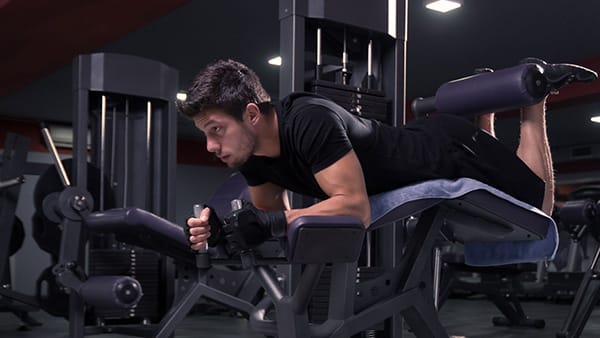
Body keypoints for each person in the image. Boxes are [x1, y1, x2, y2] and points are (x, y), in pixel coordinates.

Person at [177, 59, 587, 252]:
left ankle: (535, 94)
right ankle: (485, 107)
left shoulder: (308, 121)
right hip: (421, 140)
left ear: (251, 114)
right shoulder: (252, 156)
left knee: (540, 207)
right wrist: (224, 233)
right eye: (206, 135)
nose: (212, 147)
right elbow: (271, 220)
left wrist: (269, 222)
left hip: (447, 151)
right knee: (500, 168)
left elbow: (355, 208)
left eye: (216, 131)